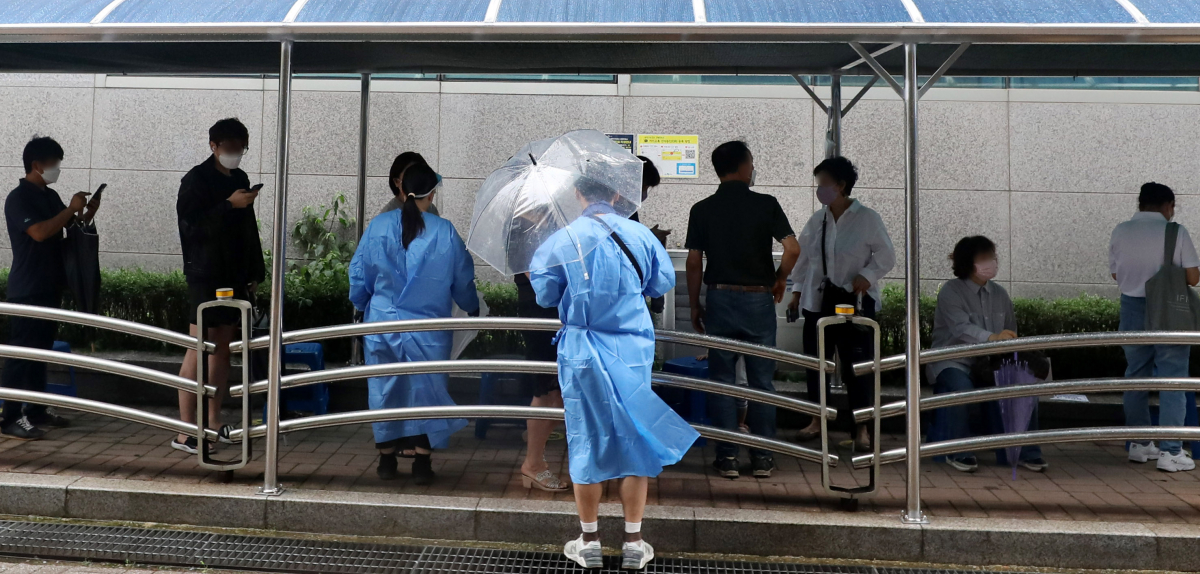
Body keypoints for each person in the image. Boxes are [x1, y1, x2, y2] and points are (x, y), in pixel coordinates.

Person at [531, 175, 697, 571]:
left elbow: (544, 294)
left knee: (586, 439)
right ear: (618, 195)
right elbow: (660, 283)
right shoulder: (639, 235)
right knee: (634, 440)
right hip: (632, 350)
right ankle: (634, 542)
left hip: (583, 352)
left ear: (578, 195)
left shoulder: (565, 238)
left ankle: (589, 541)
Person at [350, 163, 480, 485]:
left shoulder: (378, 226)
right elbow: (462, 279)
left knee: (384, 390)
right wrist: (472, 308)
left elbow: (359, 275)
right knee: (427, 390)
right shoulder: (445, 230)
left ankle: (385, 461)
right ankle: (422, 462)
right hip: (428, 329)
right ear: (431, 193)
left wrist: (359, 304)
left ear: (401, 188)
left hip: (382, 326)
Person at [685, 140, 799, 480]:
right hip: (758, 299)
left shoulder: (702, 208)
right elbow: (792, 248)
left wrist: (694, 303)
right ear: (744, 165)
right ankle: (763, 457)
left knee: (722, 379)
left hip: (719, 299)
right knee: (762, 381)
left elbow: (694, 262)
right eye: (751, 162)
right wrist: (780, 279)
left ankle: (728, 456)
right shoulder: (766, 204)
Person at [787, 156, 894, 453]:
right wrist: (796, 293)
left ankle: (862, 428)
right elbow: (805, 258)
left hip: (855, 302)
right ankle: (816, 419)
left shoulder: (868, 219)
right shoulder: (818, 219)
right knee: (816, 365)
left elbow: (886, 256)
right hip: (817, 301)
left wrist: (867, 275)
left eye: (824, 184)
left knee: (856, 368)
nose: (819, 190)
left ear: (841, 185)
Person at [173, 118, 265, 454]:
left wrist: (256, 270)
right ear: (213, 146)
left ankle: (212, 421)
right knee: (199, 345)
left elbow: (247, 229)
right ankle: (185, 430)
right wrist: (229, 205)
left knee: (223, 347)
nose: (236, 154)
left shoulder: (239, 178)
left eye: (241, 148)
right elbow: (190, 226)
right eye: (230, 148)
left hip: (234, 274)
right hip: (205, 274)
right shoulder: (196, 180)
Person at [0, 136, 98, 440]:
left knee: (41, 351)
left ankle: (37, 409)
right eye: (54, 163)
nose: (57, 168)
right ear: (37, 164)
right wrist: (70, 209)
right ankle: (10, 416)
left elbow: (64, 229)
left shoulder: (50, 196)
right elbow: (40, 232)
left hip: (50, 285)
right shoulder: (19, 198)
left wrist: (85, 214)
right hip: (28, 287)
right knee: (22, 354)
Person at [928, 236, 1047, 473]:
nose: (990, 263)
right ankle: (958, 451)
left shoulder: (1000, 294)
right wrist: (992, 338)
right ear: (967, 262)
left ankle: (1026, 452)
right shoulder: (951, 292)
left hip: (991, 362)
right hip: (954, 359)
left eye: (992, 257)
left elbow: (1010, 329)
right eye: (983, 258)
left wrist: (1005, 341)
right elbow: (960, 328)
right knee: (960, 389)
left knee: (1024, 386)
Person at [1110, 182, 1199, 473]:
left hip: (1131, 307)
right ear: (1168, 205)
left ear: (1140, 204)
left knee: (1135, 376)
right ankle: (1171, 451)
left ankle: (1139, 443)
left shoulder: (1120, 231)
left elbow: (1115, 272)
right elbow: (1193, 278)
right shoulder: (1176, 232)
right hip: (1168, 309)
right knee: (1172, 379)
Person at [381, 152, 439, 217]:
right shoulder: (386, 215)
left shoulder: (431, 209)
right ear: (397, 182)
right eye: (409, 175)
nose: (415, 181)